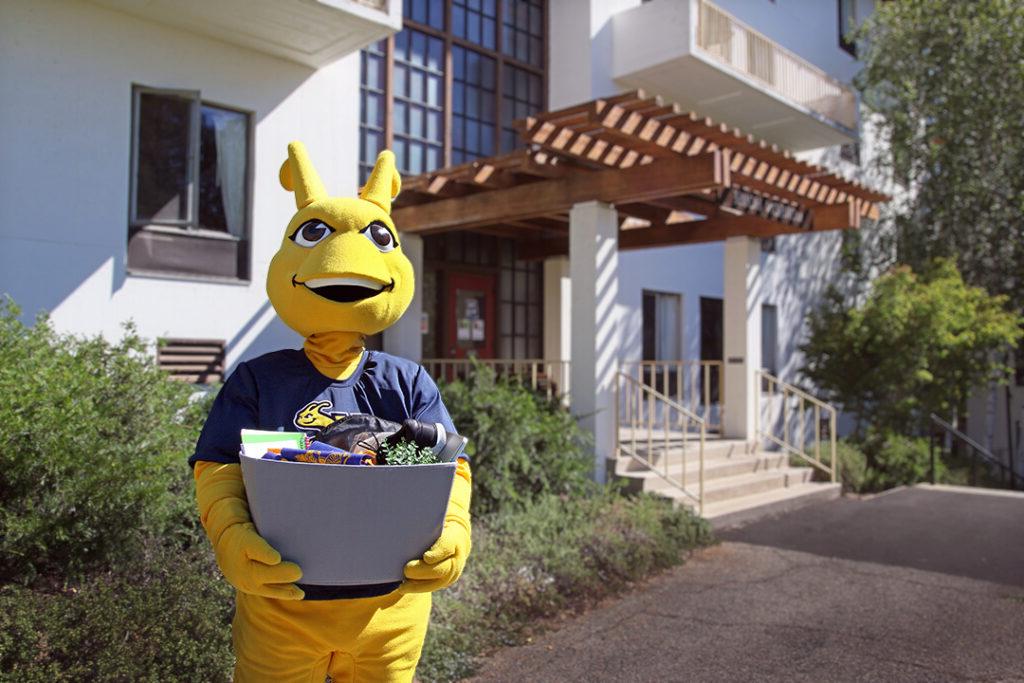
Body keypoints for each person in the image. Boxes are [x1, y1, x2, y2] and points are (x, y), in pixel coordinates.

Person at [190, 142, 472, 682]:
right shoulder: (259, 380)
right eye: (317, 235)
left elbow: (448, 470)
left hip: (389, 617)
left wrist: (454, 530)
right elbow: (219, 468)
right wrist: (230, 534)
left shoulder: (406, 382)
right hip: (282, 614)